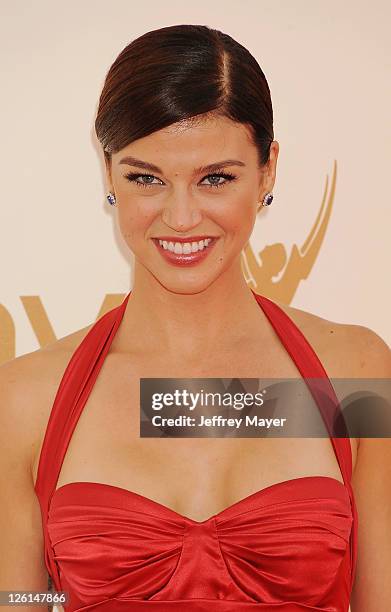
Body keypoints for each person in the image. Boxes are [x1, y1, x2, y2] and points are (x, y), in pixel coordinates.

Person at [0, 23, 390, 612]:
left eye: (215, 179)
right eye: (146, 178)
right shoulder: (23, 401)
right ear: (108, 173)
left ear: (267, 171)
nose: (181, 218)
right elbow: (20, 601)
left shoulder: (353, 373)